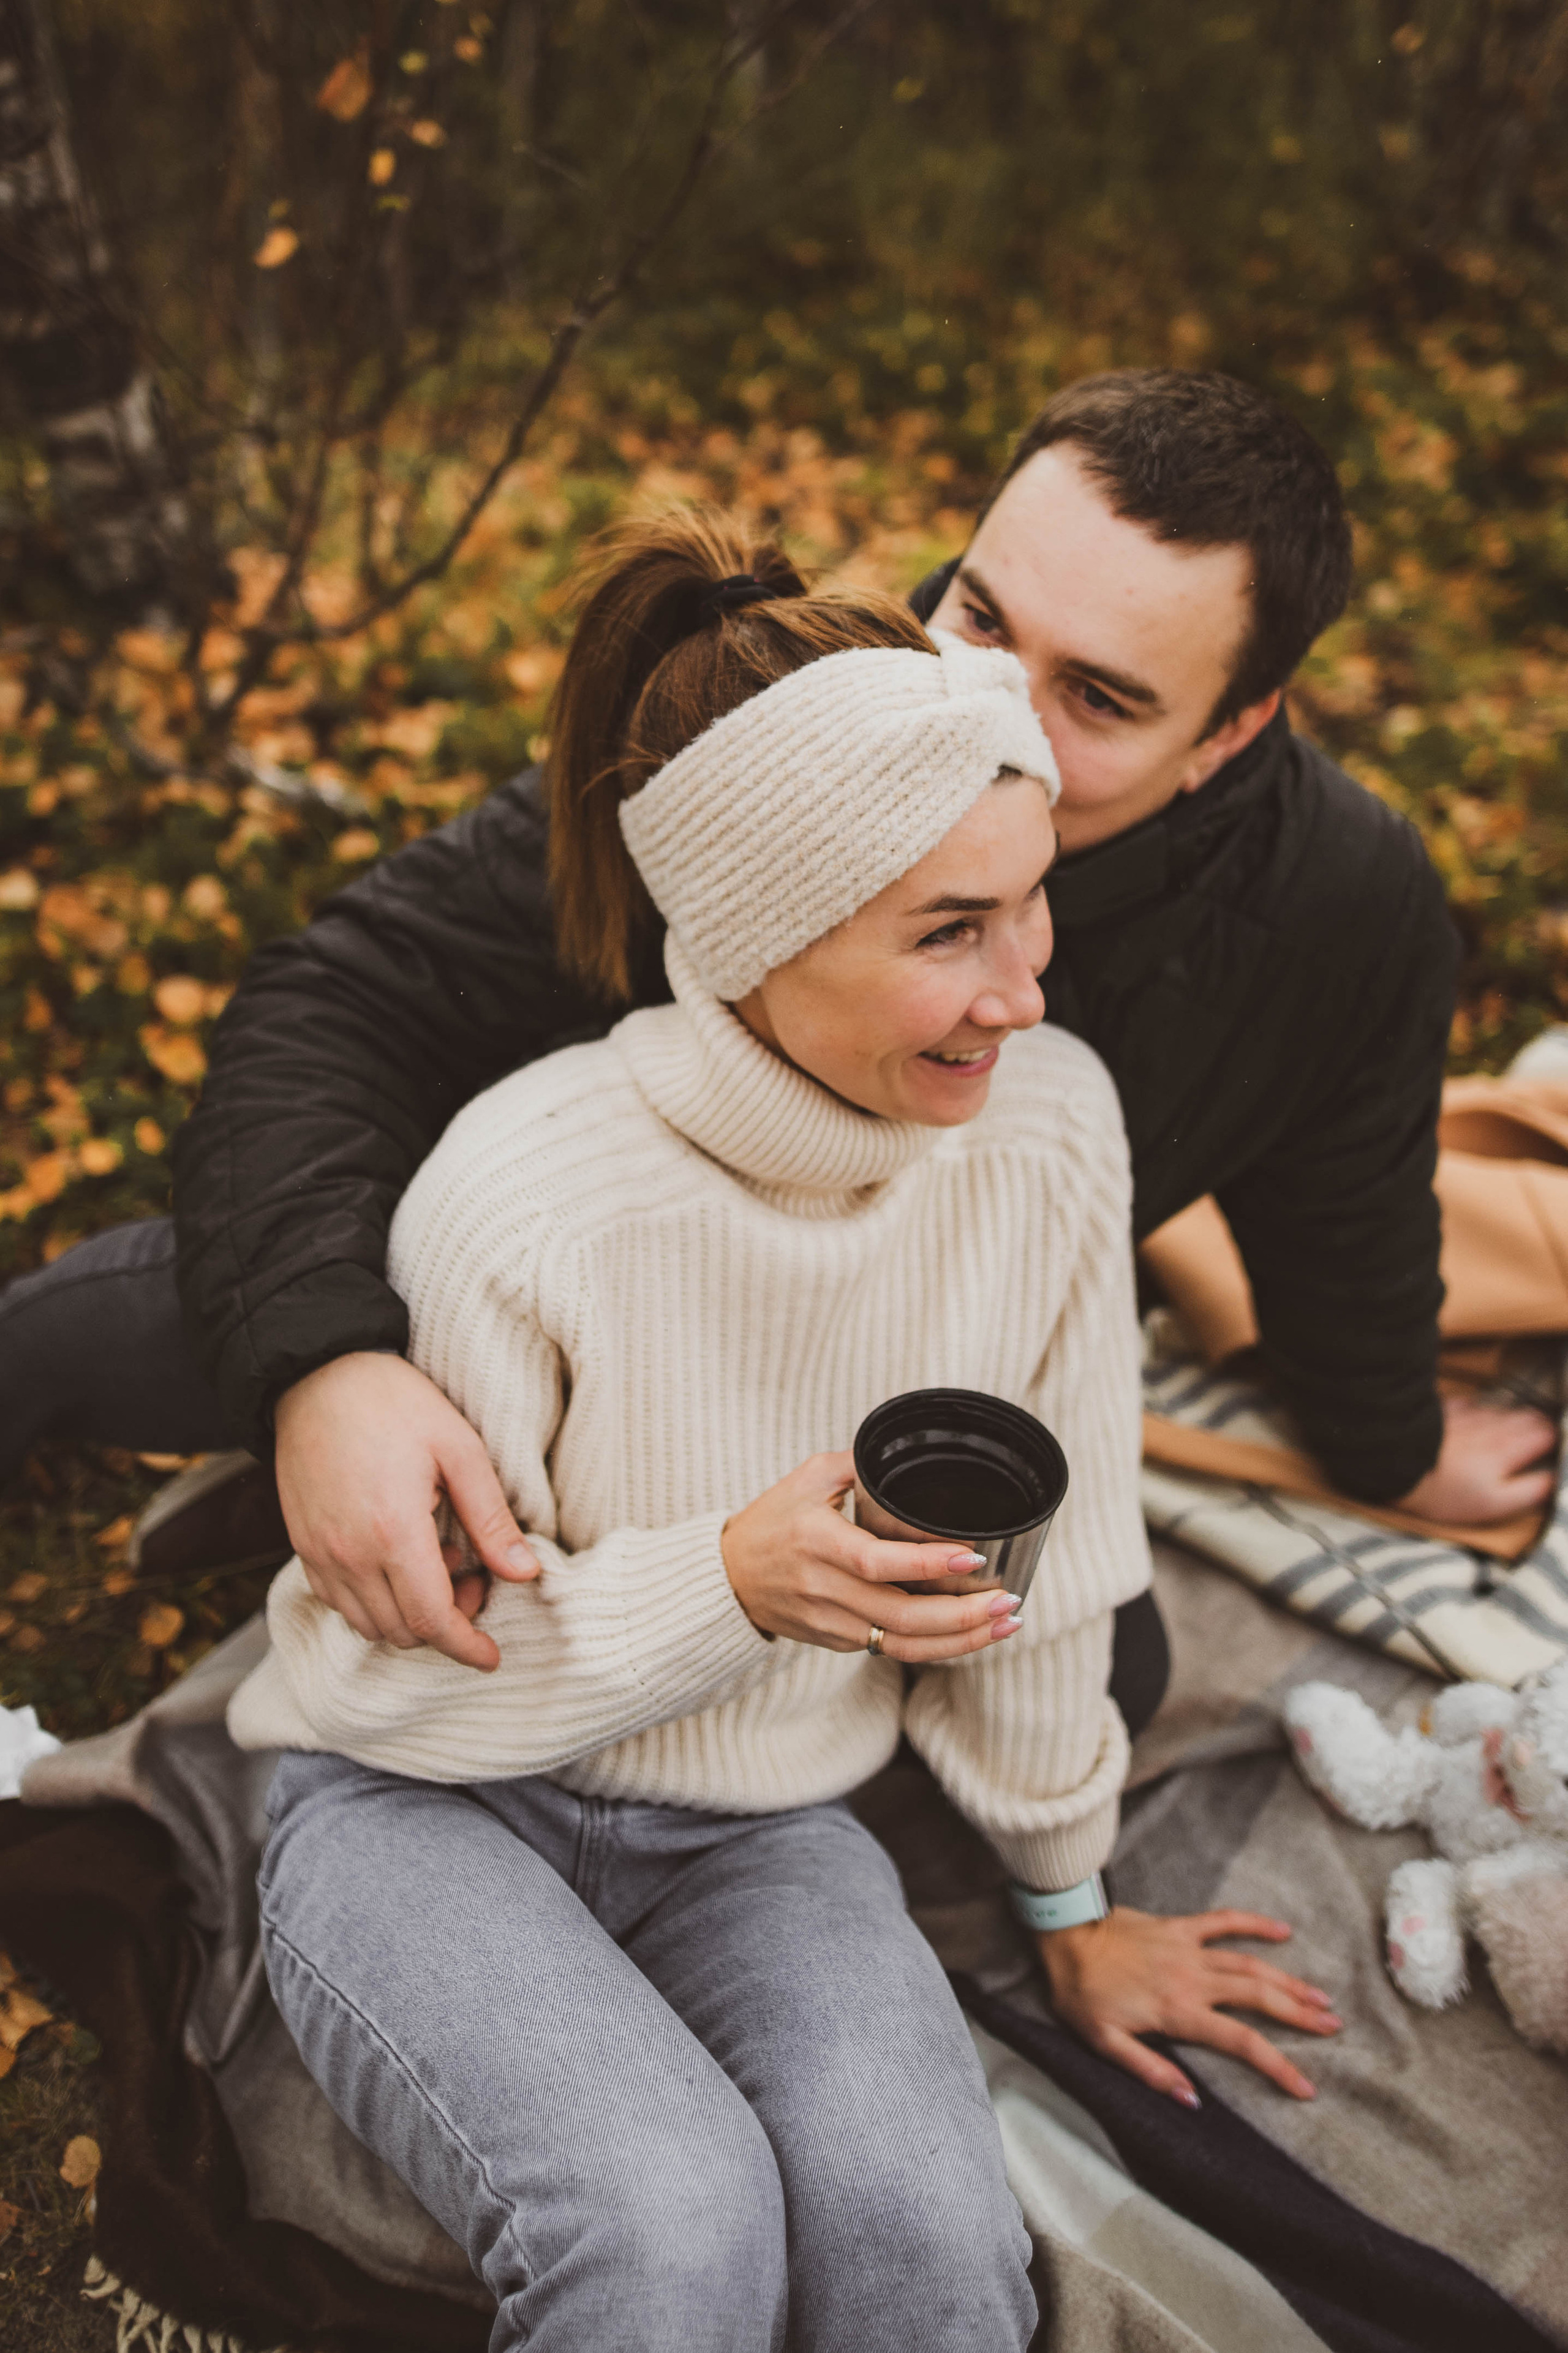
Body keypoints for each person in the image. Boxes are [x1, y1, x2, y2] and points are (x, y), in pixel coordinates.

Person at [229, 515, 1338, 2348]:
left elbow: (1046, 1579)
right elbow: (393, 1681)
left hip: (765, 1829)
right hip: (427, 1807)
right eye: (950, 932)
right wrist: (731, 1582)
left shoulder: (1051, 1134)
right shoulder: (527, 1199)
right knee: (673, 2231)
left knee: (935, 2254)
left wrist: (1071, 1904)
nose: (1024, 985)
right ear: (755, 938)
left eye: (1029, 899)